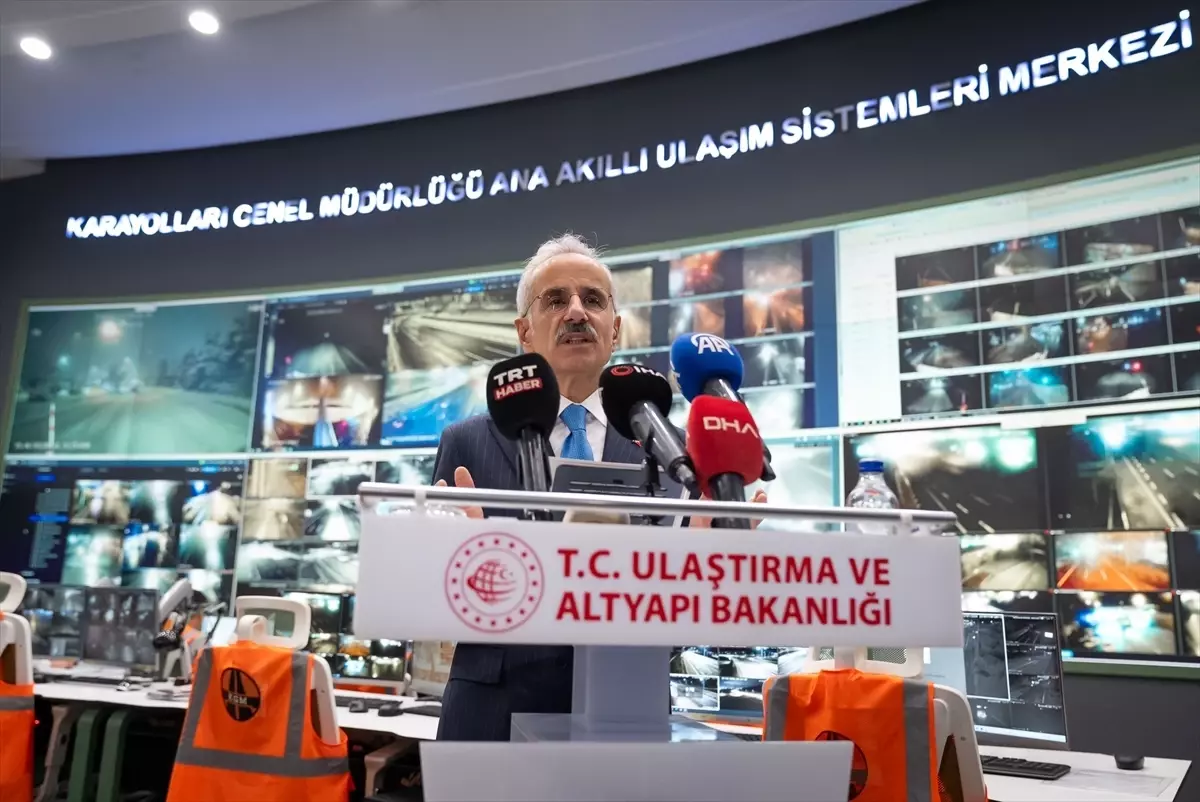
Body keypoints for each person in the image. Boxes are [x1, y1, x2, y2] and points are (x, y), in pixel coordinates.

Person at [431, 233, 765, 742]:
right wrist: (462, 567)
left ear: (615, 329)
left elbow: (684, 624)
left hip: (628, 716)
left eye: (592, 300)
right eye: (554, 300)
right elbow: (435, 605)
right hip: (492, 720)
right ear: (524, 332)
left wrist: (706, 570)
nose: (575, 312)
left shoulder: (678, 451)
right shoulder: (466, 442)